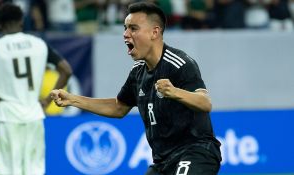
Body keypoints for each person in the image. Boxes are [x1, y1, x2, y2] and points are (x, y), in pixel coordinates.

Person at [51, 2, 221, 175]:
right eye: (125, 28)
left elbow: (205, 103)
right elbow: (118, 107)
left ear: (155, 32)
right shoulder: (138, 72)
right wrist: (73, 99)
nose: (125, 34)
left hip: (196, 151)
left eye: (133, 28)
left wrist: (174, 92)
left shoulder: (179, 64)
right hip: (162, 161)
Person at [0, 3, 72, 175]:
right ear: (21, 21)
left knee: (9, 170)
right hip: (34, 112)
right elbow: (66, 71)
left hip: (7, 114)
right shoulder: (38, 44)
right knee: (34, 169)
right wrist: (48, 100)